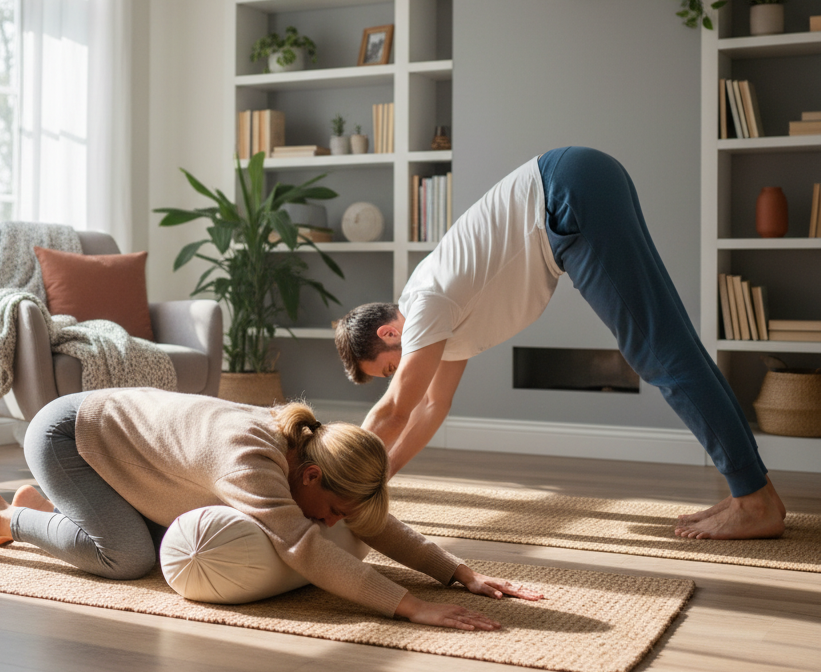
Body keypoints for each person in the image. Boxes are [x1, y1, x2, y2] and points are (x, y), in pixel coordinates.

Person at [333, 146, 787, 542]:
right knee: (671, 346)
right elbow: (433, 407)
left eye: (389, 369)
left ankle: (753, 501)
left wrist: (337, 487)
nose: (400, 375)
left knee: (660, 357)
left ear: (389, 334)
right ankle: (752, 492)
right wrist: (379, 485)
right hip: (577, 180)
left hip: (566, 193)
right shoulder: (442, 327)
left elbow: (395, 411)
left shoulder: (426, 305)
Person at [0, 387, 543, 629]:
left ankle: (49, 509)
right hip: (67, 437)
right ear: (309, 475)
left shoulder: (307, 454)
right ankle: (4, 517)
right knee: (130, 558)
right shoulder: (250, 460)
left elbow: (373, 521)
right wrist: (411, 607)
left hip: (122, 451)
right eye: (333, 509)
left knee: (161, 544)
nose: (335, 523)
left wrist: (456, 572)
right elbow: (304, 549)